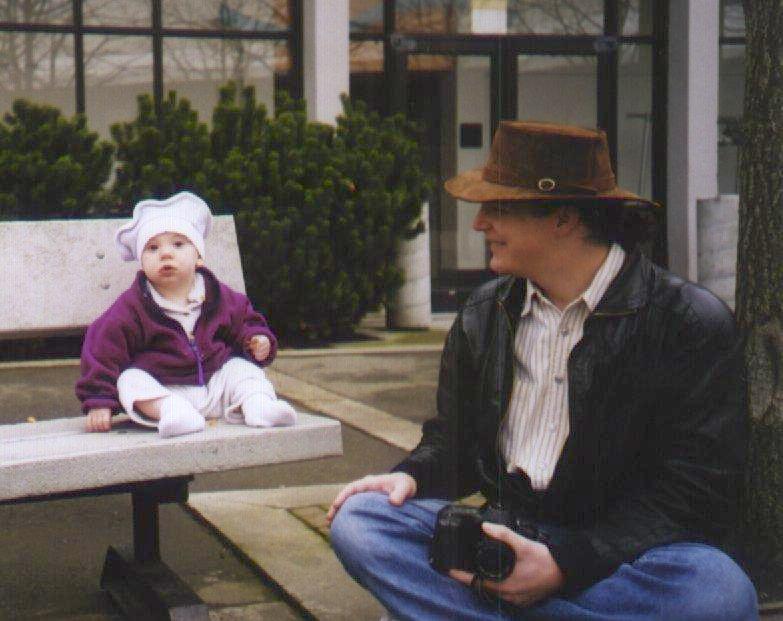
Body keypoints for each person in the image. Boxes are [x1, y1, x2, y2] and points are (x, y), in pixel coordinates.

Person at [327, 121, 757, 620]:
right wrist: (409, 478)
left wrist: (565, 565)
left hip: (621, 553)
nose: (479, 224)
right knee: (362, 522)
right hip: (509, 533)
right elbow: (454, 445)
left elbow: (694, 492)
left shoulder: (686, 323)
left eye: (498, 207)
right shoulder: (484, 313)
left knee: (719, 594)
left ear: (565, 219)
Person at [76, 191, 296, 437]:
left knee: (243, 369)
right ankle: (175, 414)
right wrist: (99, 400)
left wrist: (256, 339)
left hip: (216, 385)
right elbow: (103, 347)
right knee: (130, 380)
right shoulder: (133, 306)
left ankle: (259, 406)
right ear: (141, 262)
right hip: (166, 388)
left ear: (198, 257)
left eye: (178, 244)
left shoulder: (218, 296)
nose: (165, 254)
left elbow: (245, 321)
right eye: (152, 248)